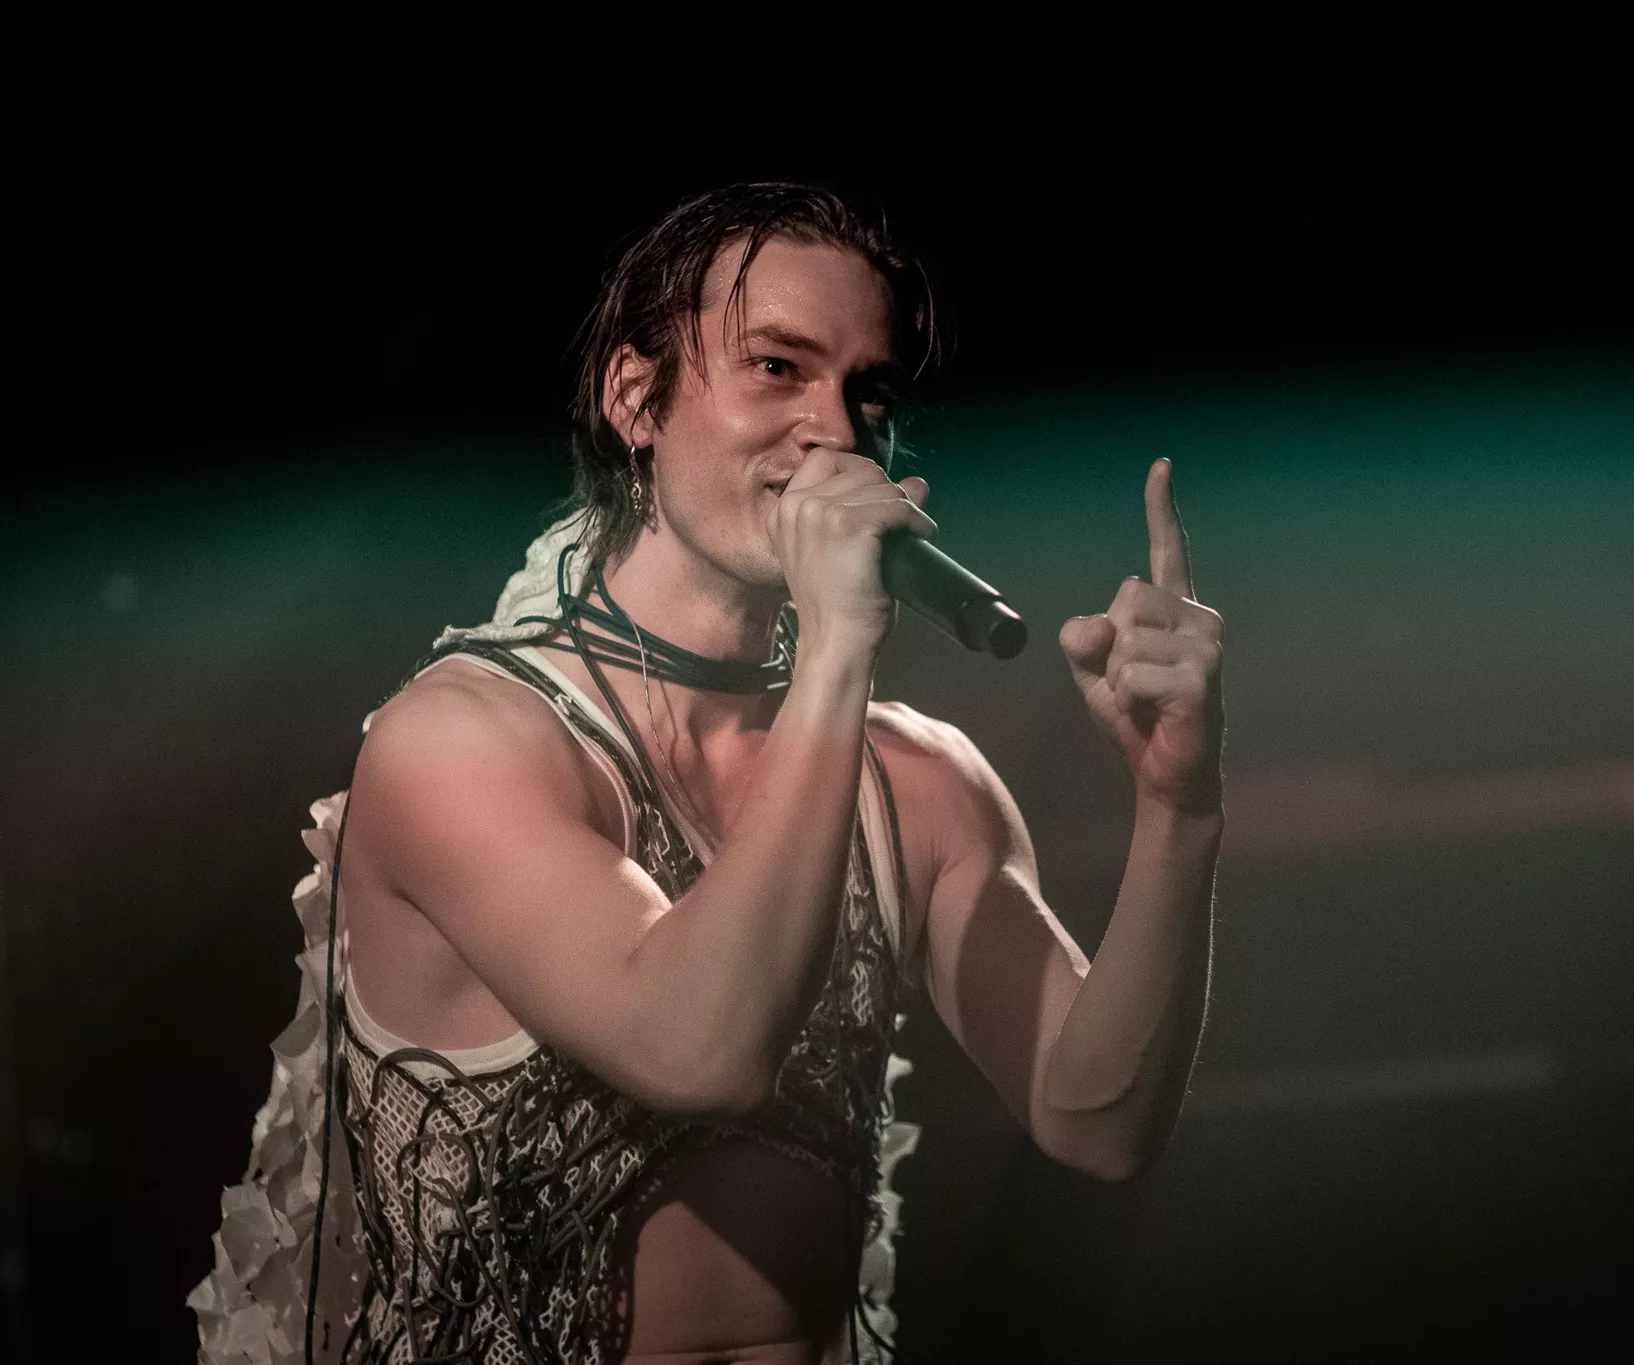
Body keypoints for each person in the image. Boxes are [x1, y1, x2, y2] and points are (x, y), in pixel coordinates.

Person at [190, 183, 1224, 1364]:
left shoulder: (915, 781)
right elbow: (696, 1048)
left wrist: (1177, 808)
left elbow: (1095, 1120)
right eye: (777, 368)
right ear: (635, 399)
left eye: (868, 392)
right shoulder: (461, 744)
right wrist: (837, 644)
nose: (833, 431)